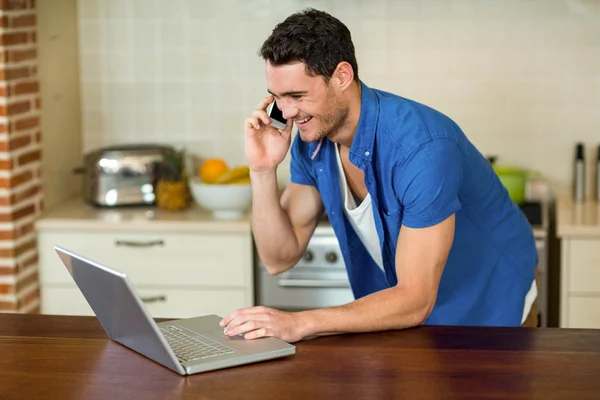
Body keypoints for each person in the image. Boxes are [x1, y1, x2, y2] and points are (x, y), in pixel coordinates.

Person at [219, 8, 538, 342]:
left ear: (342, 76)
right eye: (278, 98)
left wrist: (298, 323)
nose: (286, 113)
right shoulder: (312, 142)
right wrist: (262, 169)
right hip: (415, 318)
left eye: (297, 96)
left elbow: (415, 300)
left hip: (493, 305)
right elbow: (278, 258)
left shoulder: (423, 148)